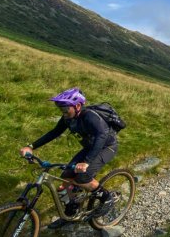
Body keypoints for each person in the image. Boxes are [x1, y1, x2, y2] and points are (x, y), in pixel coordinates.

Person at [19, 88, 118, 229]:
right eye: (61, 109)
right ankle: (70, 213)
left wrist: (86, 162)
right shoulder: (68, 118)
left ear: (77, 106)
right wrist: (31, 146)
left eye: (65, 109)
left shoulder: (90, 116)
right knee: (65, 179)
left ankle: (107, 198)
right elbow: (54, 132)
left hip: (106, 147)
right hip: (89, 148)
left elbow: (101, 137)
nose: (63, 112)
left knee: (82, 177)